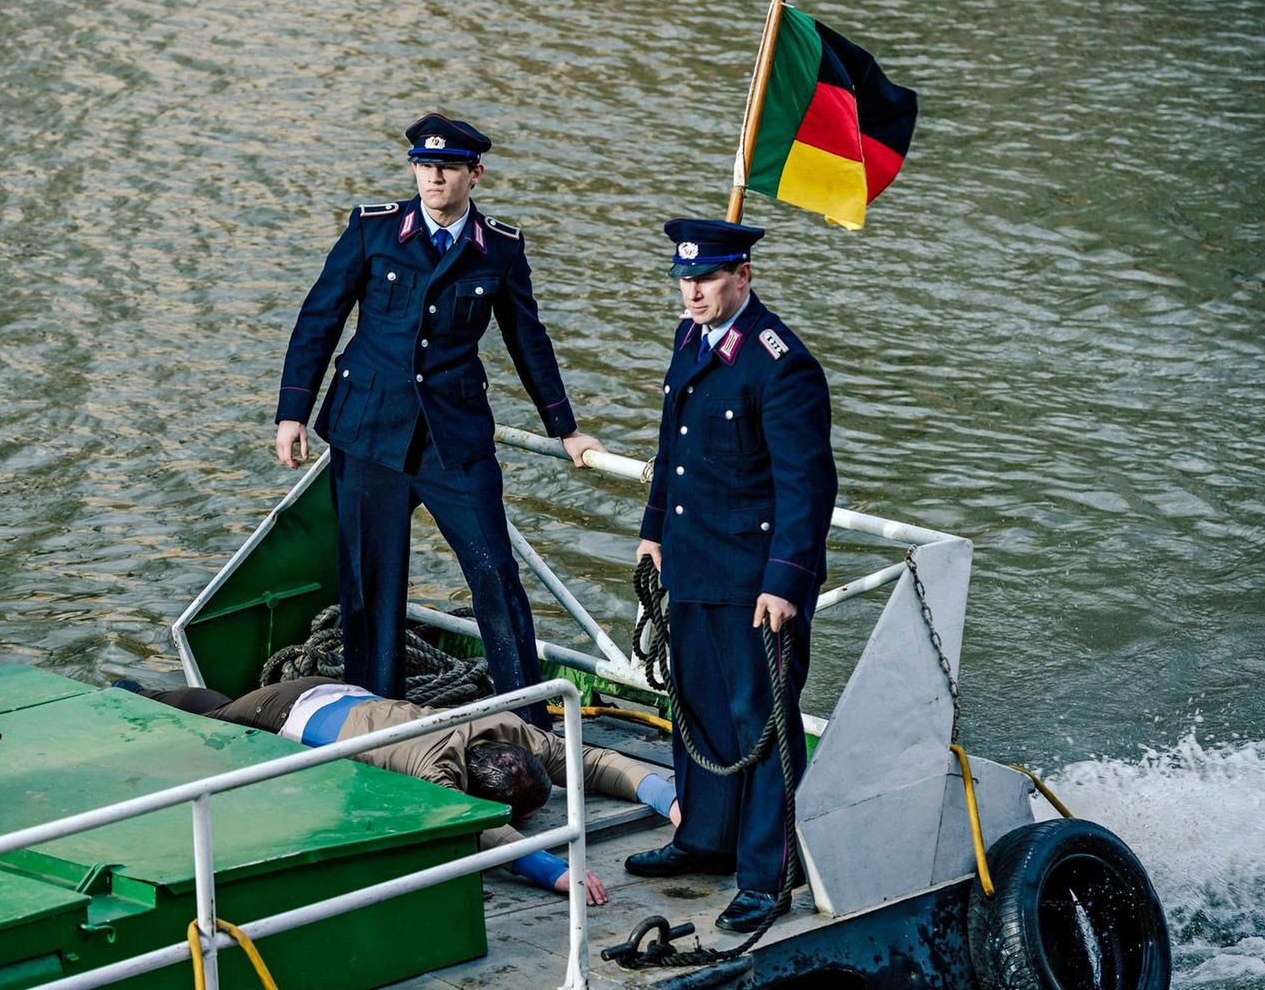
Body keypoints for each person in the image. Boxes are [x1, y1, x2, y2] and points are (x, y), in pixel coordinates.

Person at [273, 114, 603, 726]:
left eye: (447, 168)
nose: (433, 178)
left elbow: (528, 340)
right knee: (371, 583)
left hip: (454, 438)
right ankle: (376, 719)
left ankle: (527, 716)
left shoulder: (500, 248)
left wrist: (565, 427)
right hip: (369, 430)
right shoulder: (373, 230)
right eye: (424, 166)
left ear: (475, 174)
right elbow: (319, 318)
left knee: (494, 571)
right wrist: (292, 412)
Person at [623, 219, 837, 933]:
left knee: (762, 723)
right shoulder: (692, 339)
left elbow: (807, 487)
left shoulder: (781, 364)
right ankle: (705, 840)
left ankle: (768, 876)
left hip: (754, 578)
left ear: (743, 276)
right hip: (693, 560)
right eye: (685, 280)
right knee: (701, 708)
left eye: (708, 279)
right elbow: (673, 448)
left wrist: (786, 581)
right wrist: (654, 532)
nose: (693, 292)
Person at [120, 675, 679, 904]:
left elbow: (592, 760)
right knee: (211, 718)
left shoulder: (506, 730)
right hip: (284, 714)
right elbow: (479, 827)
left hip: (341, 692)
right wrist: (553, 870)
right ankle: (133, 693)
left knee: (219, 706)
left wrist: (666, 797)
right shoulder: (431, 768)